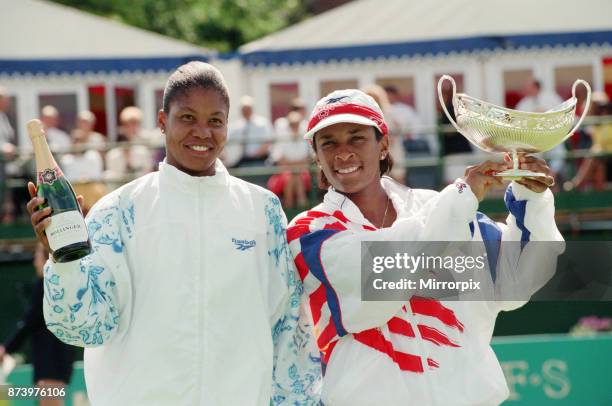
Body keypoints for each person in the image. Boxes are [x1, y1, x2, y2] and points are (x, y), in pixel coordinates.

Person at [27, 61, 321, 405]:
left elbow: (289, 328)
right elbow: (83, 328)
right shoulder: (118, 211)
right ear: (163, 121)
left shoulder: (263, 211)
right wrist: (64, 259)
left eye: (215, 121)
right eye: (187, 117)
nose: (202, 132)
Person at [286, 89, 563, 405]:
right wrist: (459, 200)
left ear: (384, 144)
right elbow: (385, 273)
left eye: (357, 138)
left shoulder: (440, 206)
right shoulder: (309, 232)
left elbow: (514, 281)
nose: (343, 152)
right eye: (329, 143)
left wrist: (533, 199)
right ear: (316, 156)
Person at [0, 243, 76, 406]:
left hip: (51, 361)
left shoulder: (44, 284)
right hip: (60, 360)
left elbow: (29, 321)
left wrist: (6, 348)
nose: (35, 262)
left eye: (37, 257)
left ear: (46, 259)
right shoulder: (60, 284)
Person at [516, 78, 566, 180]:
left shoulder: (552, 98)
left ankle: (553, 176)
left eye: (528, 87)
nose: (526, 89)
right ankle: (538, 179)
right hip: (532, 139)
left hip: (552, 135)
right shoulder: (523, 103)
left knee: (559, 153)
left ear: (536, 87)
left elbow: (562, 113)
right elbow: (517, 120)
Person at [267, 111, 312, 208]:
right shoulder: (282, 137)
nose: (294, 126)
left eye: (296, 124)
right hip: (287, 173)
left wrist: (294, 166)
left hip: (301, 172)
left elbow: (308, 160)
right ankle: (298, 209)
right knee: (292, 178)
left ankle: (293, 210)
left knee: (295, 177)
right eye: (292, 124)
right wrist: (296, 166)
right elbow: (279, 160)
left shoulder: (305, 136)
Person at [105, 106, 153, 182]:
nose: (133, 127)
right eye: (129, 123)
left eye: (136, 123)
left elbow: (148, 168)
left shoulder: (145, 139)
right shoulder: (119, 141)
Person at [225, 95, 273, 167]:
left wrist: (255, 155)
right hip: (241, 160)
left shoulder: (262, 123)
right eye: (244, 109)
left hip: (260, 160)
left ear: (252, 109)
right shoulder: (236, 126)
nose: (246, 111)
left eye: (248, 109)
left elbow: (268, 142)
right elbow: (226, 140)